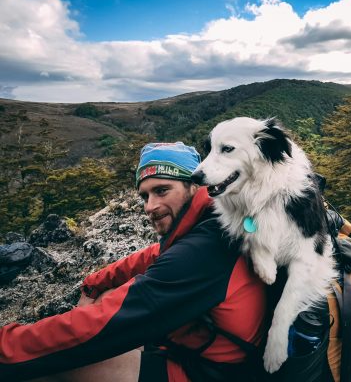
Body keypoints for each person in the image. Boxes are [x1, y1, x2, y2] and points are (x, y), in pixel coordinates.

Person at [0, 142, 267, 382]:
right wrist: (94, 284)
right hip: (199, 350)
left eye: (162, 190)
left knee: (49, 366)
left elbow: (108, 321)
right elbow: (153, 254)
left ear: (195, 186)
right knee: (107, 295)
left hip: (208, 372)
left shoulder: (205, 251)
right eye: (145, 196)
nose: (150, 206)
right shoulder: (210, 225)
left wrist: (6, 346)